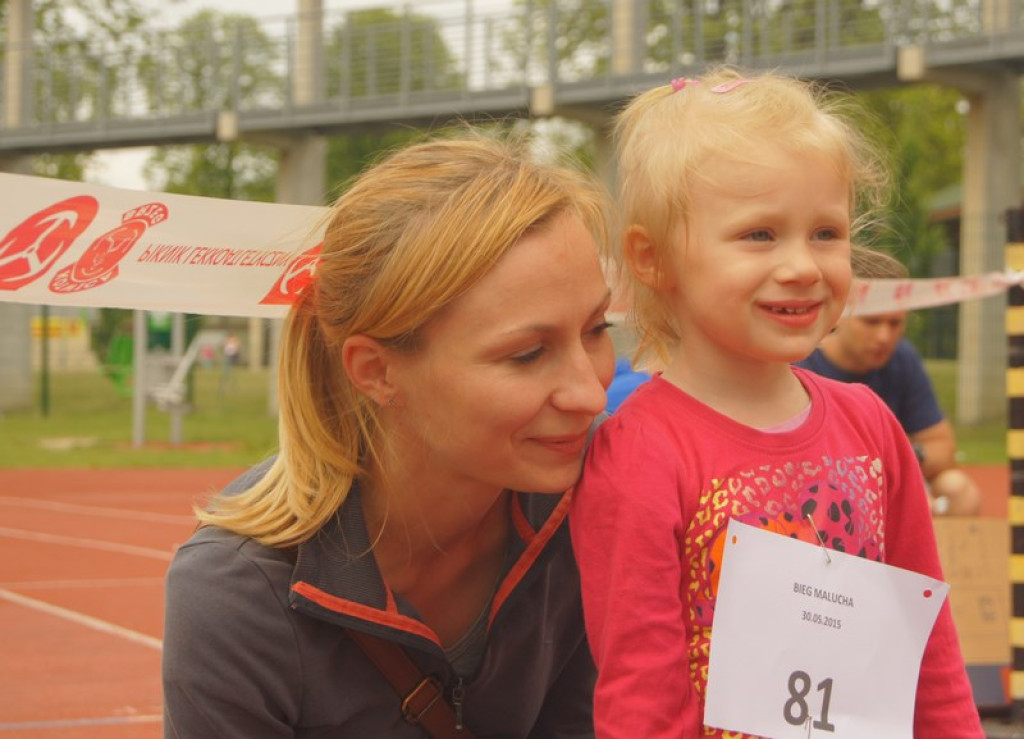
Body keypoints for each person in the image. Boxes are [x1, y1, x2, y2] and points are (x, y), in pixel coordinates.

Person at [569, 67, 982, 738]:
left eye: (826, 233)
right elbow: (643, 694)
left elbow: (927, 651)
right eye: (759, 234)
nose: (803, 266)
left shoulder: (871, 425)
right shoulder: (641, 453)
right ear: (652, 258)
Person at [162, 131, 617, 737]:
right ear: (377, 371)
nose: (591, 393)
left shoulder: (597, 504)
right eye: (528, 354)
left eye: (597, 328)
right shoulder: (239, 594)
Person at [797, 255, 983, 516]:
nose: (884, 336)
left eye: (895, 323)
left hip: (887, 483)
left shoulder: (902, 358)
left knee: (958, 489)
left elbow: (943, 448)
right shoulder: (801, 363)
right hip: (819, 494)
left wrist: (901, 464)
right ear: (839, 314)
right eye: (871, 321)